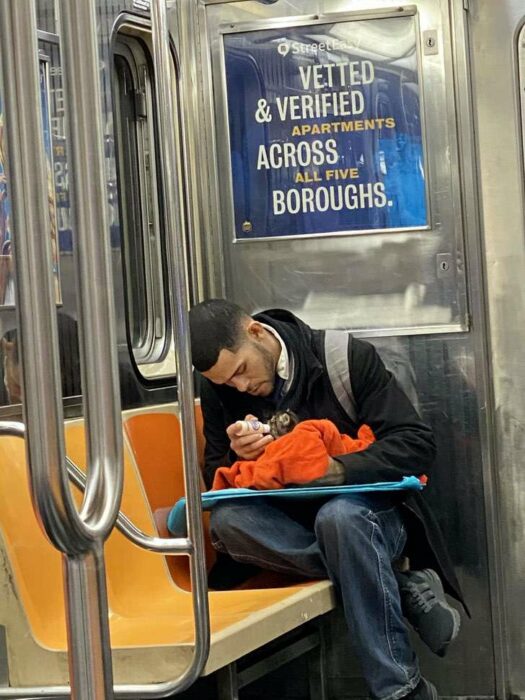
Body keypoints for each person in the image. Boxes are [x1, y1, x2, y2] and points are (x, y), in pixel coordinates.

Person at [189, 298, 465, 700]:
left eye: (242, 372)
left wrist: (337, 470)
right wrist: (238, 455)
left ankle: (400, 690)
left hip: (368, 513)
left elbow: (415, 443)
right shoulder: (219, 390)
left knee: (341, 519)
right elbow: (217, 477)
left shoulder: (345, 358)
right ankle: (403, 587)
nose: (241, 387)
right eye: (227, 383)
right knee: (229, 523)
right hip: (287, 525)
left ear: (256, 332)